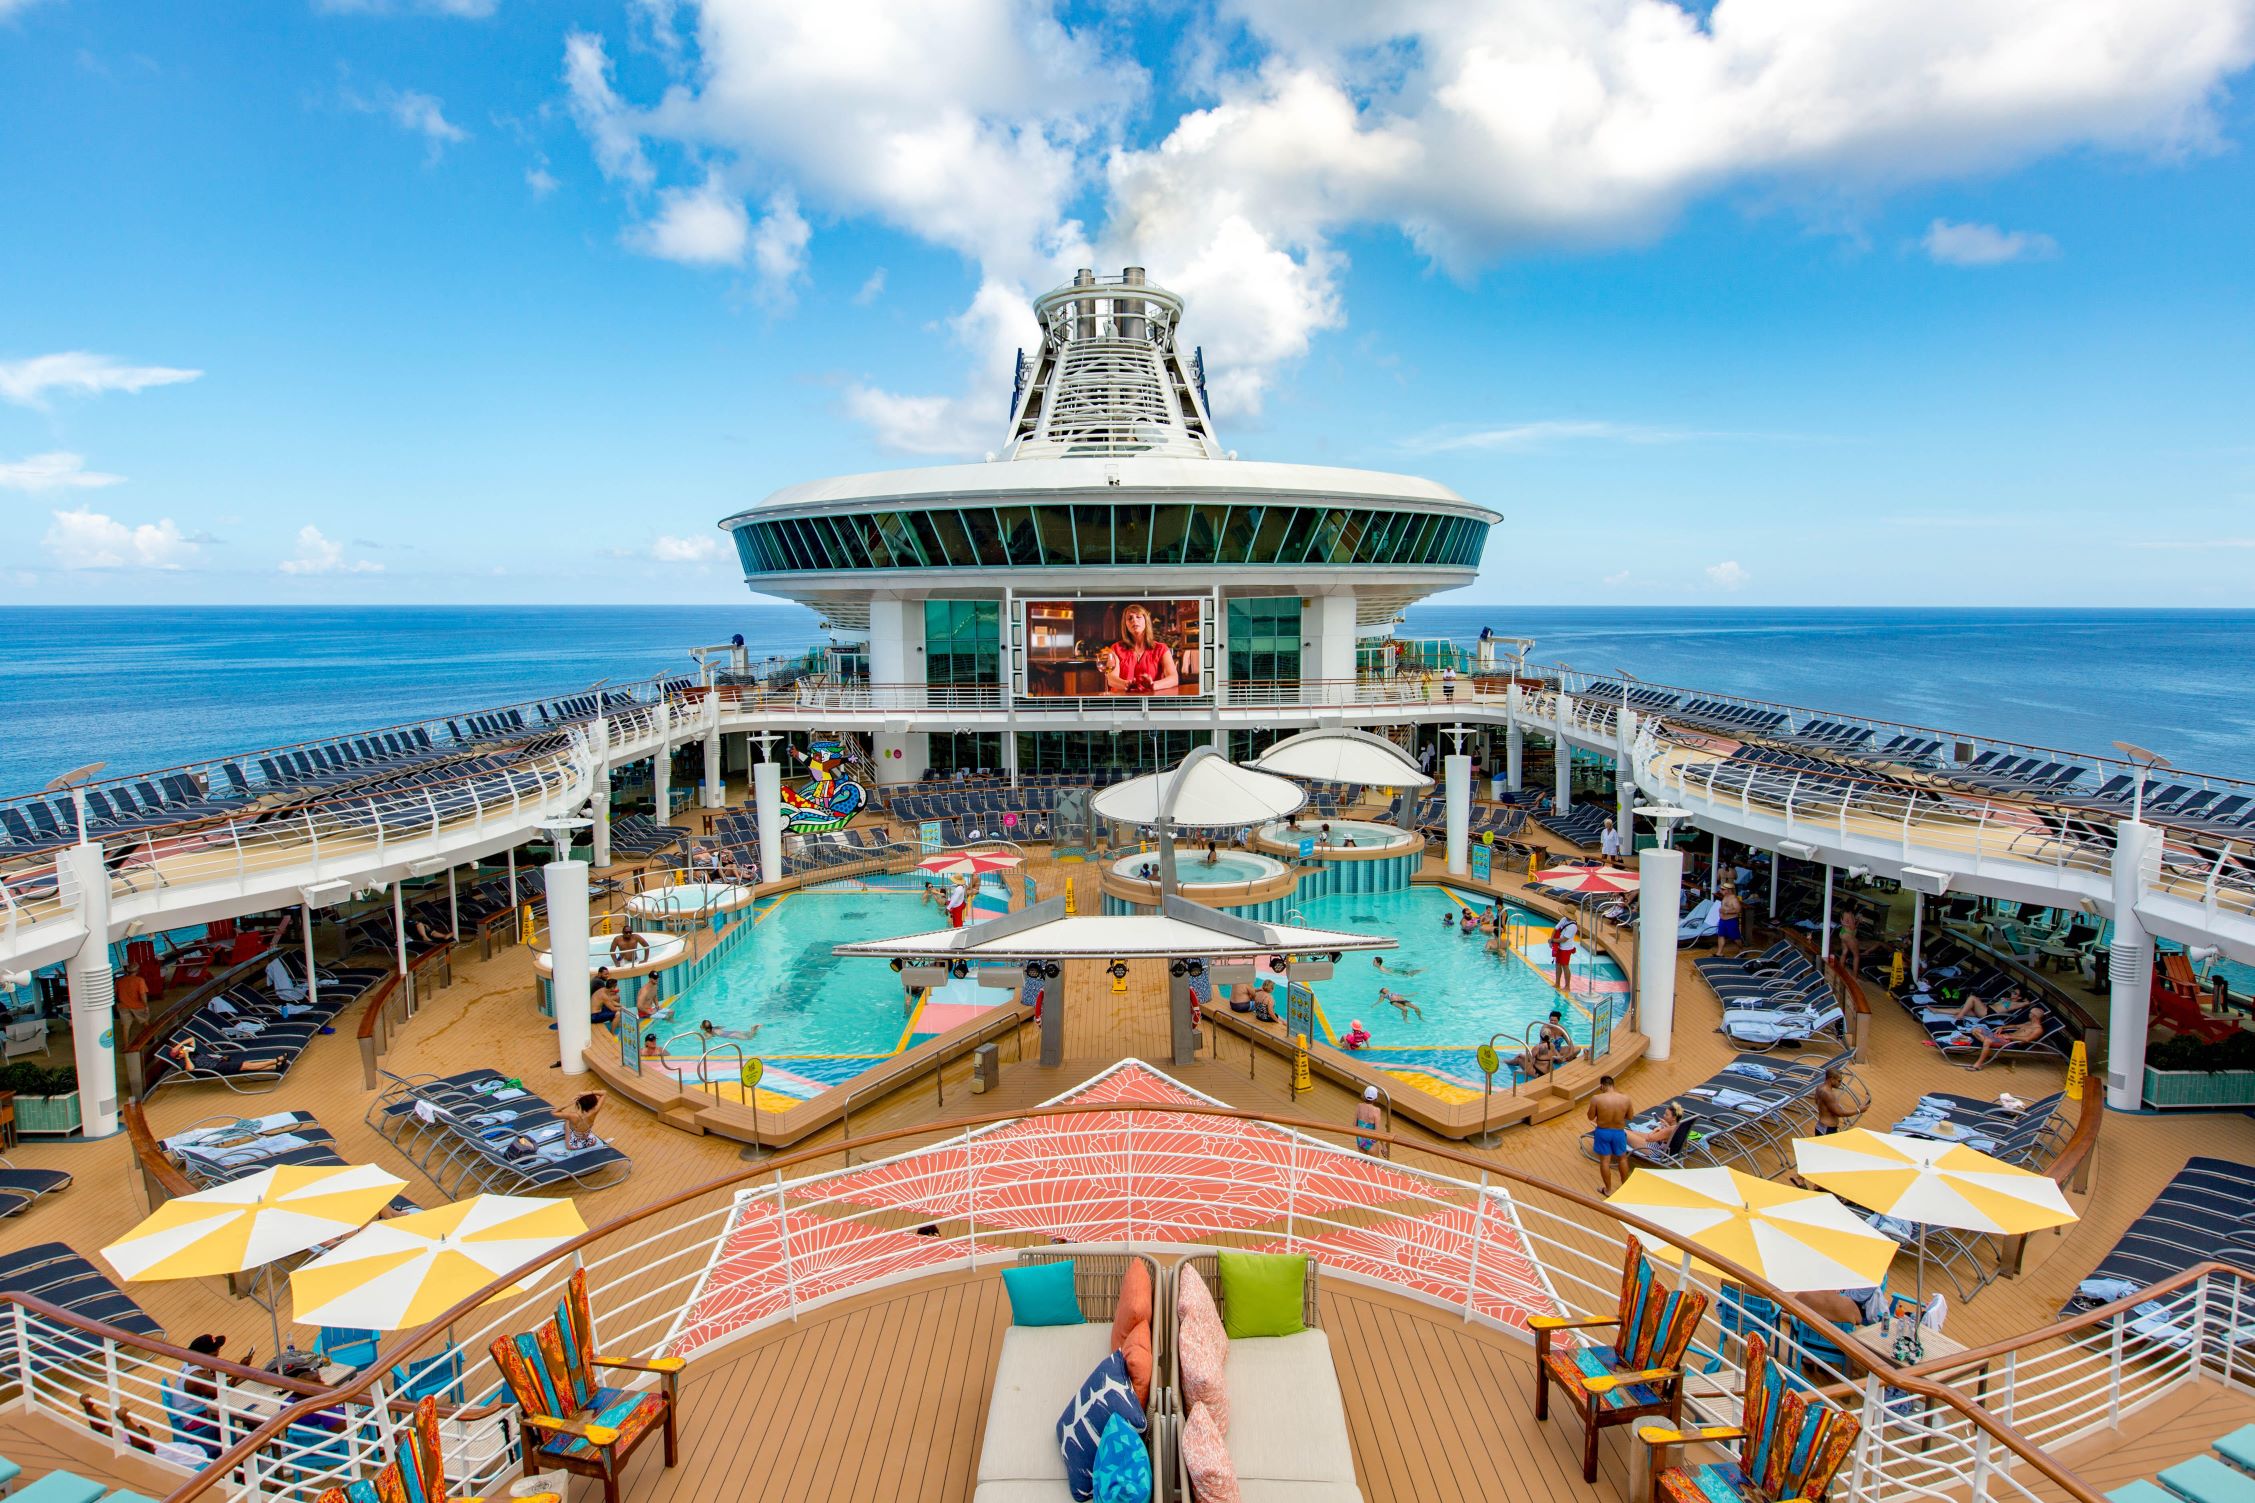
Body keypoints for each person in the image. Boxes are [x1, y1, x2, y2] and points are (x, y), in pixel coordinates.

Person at [1098, 603, 1181, 695]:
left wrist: (1153, 685)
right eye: (1130, 618)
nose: (1134, 620)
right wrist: (1126, 684)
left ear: (1146, 621)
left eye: (1138, 617)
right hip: (1122, 701)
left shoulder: (1161, 649)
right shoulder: (1116, 648)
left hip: (1150, 701)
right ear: (1125, 625)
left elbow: (1174, 678)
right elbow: (1111, 679)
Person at [1588, 1075, 1634, 1194]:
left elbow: (1590, 1117)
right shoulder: (1626, 1099)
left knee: (1605, 1161)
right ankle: (1625, 1187)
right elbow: (1630, 1116)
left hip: (1603, 1132)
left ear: (1602, 1086)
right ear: (1613, 1085)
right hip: (1618, 1132)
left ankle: (1608, 1190)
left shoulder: (1596, 1099)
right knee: (1622, 1159)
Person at [1966, 1005, 2051, 1070]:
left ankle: (1977, 1065)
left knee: (1987, 1041)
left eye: (2030, 1013)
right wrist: (2003, 1027)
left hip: (2009, 1042)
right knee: (1977, 1029)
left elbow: (2027, 1039)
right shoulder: (2029, 1023)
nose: (2029, 1014)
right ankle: (1985, 1041)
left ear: (2034, 1016)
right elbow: (2015, 1026)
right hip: (2002, 1037)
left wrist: (2010, 1036)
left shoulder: (2038, 1030)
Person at [1814, 1068, 1859, 1133]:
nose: (1840, 1083)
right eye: (1839, 1081)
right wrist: (1858, 1110)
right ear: (1832, 1079)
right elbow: (1840, 1113)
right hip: (1827, 1129)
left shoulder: (1819, 1087)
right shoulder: (1828, 1093)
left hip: (1822, 1126)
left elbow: (1816, 1101)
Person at [1354, 1085, 1384, 1156]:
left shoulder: (1359, 1106)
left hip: (1360, 1140)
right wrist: (1384, 1146)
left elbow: (1354, 1125)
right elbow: (1377, 1131)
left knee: (1364, 1165)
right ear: (1375, 1098)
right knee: (1373, 1166)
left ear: (1364, 1095)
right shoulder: (1376, 1110)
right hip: (1371, 1142)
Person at [1552, 918, 1578, 991]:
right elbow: (1555, 929)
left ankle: (1567, 986)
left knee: (1565, 966)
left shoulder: (1573, 926)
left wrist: (1553, 940)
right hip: (1559, 946)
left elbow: (1564, 939)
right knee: (1557, 964)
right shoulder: (1564, 919)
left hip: (1566, 948)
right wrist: (1552, 941)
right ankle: (1557, 983)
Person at [1718, 884, 1745, 958]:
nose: (1721, 891)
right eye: (1721, 889)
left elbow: (1738, 910)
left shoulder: (1734, 899)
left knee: (1735, 937)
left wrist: (1727, 912)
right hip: (1722, 920)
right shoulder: (1725, 897)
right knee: (1721, 935)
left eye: (1723, 889)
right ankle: (1719, 953)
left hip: (1731, 921)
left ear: (1728, 890)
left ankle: (1741, 949)